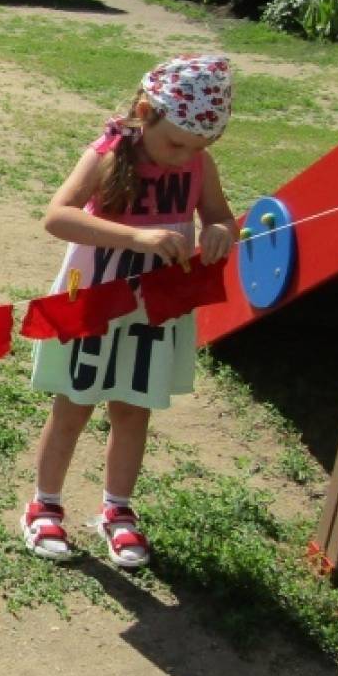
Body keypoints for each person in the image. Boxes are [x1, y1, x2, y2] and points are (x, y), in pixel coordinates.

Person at [23, 55, 237, 569]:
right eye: (175, 144)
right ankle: (44, 504)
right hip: (96, 296)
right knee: (74, 403)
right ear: (146, 112)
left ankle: (117, 511)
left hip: (157, 305)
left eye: (196, 147)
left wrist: (219, 233)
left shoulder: (198, 163)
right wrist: (136, 236)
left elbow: (223, 218)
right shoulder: (106, 154)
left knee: (132, 407)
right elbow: (57, 217)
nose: (181, 157)